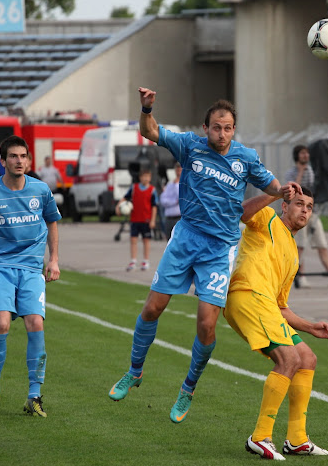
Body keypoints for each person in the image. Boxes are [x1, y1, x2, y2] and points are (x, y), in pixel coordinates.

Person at [108, 87, 300, 424]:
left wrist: (282, 190)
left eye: (228, 128)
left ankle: (188, 388)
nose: (222, 133)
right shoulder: (189, 146)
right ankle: (134, 371)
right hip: (185, 239)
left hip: (219, 250)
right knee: (153, 307)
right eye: (216, 127)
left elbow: (269, 184)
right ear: (205, 128)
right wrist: (146, 107)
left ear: (233, 130)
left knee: (207, 325)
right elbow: (149, 131)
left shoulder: (246, 158)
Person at [222, 187, 328, 460]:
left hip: (267, 306)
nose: (305, 210)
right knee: (288, 359)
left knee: (306, 358)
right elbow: (240, 212)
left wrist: (310, 326)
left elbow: (281, 306)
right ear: (285, 207)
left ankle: (297, 440)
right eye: (299, 204)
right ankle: (260, 437)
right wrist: (275, 193)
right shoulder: (268, 219)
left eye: (309, 206)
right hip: (247, 296)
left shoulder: (294, 255)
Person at [0, 135, 61, 418]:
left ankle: (34, 396)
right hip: (0, 267)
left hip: (32, 269)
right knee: (2, 324)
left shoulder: (41, 190)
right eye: (13, 157)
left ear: (29, 160)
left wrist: (54, 259)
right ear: (3, 160)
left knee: (35, 323)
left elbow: (53, 222)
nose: (19, 161)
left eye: (23, 156)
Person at [284, 145, 328, 288]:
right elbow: (294, 191)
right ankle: (300, 276)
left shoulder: (313, 172)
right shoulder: (291, 173)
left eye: (307, 153)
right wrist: (300, 173)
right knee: (300, 246)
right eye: (302, 153)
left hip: (312, 213)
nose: (305, 156)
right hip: (297, 215)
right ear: (297, 156)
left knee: (322, 245)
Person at [116, 168, 158, 271]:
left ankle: (145, 261)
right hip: (135, 219)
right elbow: (125, 198)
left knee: (146, 240)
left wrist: (152, 220)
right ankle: (133, 260)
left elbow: (154, 206)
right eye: (144, 176)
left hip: (146, 219)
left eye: (148, 177)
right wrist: (118, 206)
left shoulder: (152, 190)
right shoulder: (134, 188)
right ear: (140, 178)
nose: (146, 178)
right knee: (133, 240)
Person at [159, 161, 182, 239]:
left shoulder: (185, 184)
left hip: (179, 218)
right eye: (177, 169)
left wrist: (176, 185)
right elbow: (163, 200)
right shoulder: (169, 184)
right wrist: (174, 202)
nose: (178, 172)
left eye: (180, 170)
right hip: (169, 218)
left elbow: (180, 197)